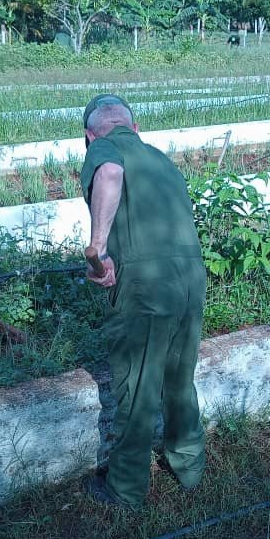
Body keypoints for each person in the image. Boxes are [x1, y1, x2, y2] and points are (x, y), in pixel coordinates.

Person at [79, 94, 207, 508]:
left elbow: (110, 173)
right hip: (191, 278)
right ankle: (189, 465)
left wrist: (99, 249)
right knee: (180, 377)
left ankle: (126, 488)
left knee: (137, 384)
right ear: (135, 128)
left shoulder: (104, 148)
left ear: (89, 136)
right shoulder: (161, 159)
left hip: (146, 285)